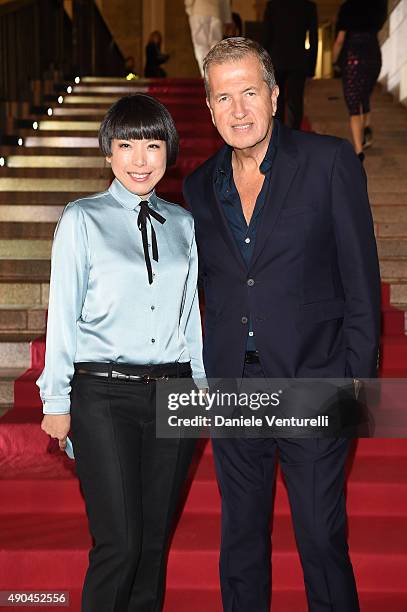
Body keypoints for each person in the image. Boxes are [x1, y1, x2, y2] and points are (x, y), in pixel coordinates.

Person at [183, 37, 381, 611]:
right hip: (232, 392)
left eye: (249, 92)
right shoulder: (198, 187)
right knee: (240, 544)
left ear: (273, 96)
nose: (238, 109)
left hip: (314, 382)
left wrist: (354, 386)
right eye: (224, 97)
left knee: (321, 540)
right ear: (210, 106)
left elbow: (361, 284)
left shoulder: (328, 163)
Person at [38, 94, 206, 612]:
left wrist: (201, 390)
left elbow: (190, 316)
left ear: (168, 152)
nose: (140, 158)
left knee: (153, 544)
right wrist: (55, 400)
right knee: (121, 543)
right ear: (108, 153)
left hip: (174, 393)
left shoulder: (182, 223)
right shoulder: (82, 219)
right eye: (127, 144)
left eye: (153, 145)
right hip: (102, 394)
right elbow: (61, 312)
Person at [333, 0, 387, 161]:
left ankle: (358, 150)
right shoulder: (379, 5)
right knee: (365, 94)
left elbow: (340, 40)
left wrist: (335, 61)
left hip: (353, 55)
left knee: (353, 103)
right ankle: (366, 128)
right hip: (373, 55)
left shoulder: (348, 7)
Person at [263, 0, 318, 129]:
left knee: (276, 99)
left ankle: (278, 134)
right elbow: (313, 38)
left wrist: (263, 63)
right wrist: (311, 67)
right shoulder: (308, 6)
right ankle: (293, 136)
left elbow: (267, 36)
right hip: (298, 59)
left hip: (276, 59)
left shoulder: (273, 5)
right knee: (295, 101)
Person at [185, 0, 233, 76]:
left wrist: (189, 8)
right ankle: (214, 75)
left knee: (201, 46)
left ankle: (206, 75)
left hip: (198, 11)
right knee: (215, 46)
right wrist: (227, 19)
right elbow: (225, 2)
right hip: (216, 13)